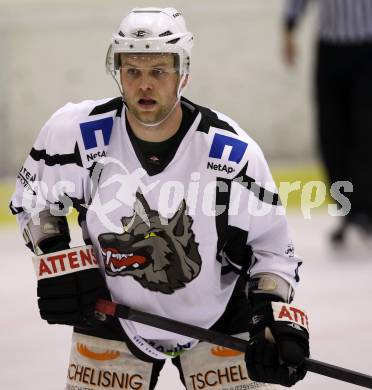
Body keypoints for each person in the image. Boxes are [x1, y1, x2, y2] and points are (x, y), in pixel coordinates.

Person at [10, 7, 309, 389]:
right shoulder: (76, 134)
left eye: (158, 71)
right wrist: (57, 257)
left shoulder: (231, 153)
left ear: (183, 73)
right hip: (110, 313)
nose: (144, 84)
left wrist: (273, 319)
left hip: (218, 316)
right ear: (118, 71)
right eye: (132, 70)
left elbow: (273, 250)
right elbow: (34, 198)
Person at [283, 0, 372, 245]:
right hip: (330, 48)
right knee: (331, 135)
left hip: (368, 46)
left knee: (366, 131)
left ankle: (363, 210)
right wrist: (289, 28)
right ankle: (348, 210)